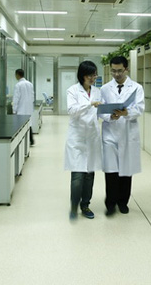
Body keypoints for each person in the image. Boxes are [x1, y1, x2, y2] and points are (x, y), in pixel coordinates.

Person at [99, 56, 145, 216]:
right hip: (110, 133)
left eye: (119, 71)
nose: (116, 74)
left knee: (126, 169)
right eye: (113, 71)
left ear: (127, 69)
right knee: (111, 170)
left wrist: (126, 113)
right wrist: (110, 116)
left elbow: (140, 108)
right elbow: (100, 110)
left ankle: (123, 202)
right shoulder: (105, 88)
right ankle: (110, 203)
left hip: (128, 132)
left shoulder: (136, 88)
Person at [64, 61, 102, 220]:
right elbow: (72, 110)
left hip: (92, 137)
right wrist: (89, 104)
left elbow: (100, 112)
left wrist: (112, 115)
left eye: (95, 75)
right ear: (82, 75)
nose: (93, 78)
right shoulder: (72, 90)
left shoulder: (97, 91)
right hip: (77, 137)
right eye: (90, 75)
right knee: (78, 175)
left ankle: (85, 205)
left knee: (89, 174)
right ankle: (74, 205)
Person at [12, 69, 35, 145]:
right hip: (29, 107)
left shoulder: (18, 85)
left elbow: (16, 98)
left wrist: (14, 110)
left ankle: (24, 141)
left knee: (21, 125)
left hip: (21, 108)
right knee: (28, 123)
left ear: (17, 75)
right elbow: (32, 96)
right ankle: (31, 140)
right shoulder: (30, 84)